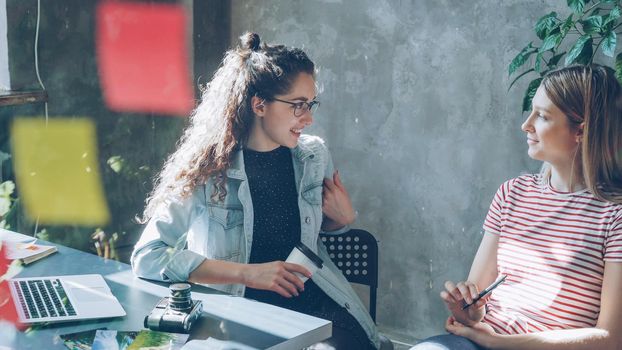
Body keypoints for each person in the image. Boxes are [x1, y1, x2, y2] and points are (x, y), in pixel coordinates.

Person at [131, 32, 384, 349]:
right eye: (298, 105)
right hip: (238, 313)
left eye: (311, 104)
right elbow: (147, 256)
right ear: (259, 105)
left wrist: (340, 220)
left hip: (315, 306)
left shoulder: (314, 157)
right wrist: (247, 274)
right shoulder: (207, 169)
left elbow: (315, 242)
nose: (309, 118)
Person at [412, 64, 622, 349]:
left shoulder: (614, 216)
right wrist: (471, 313)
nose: (526, 124)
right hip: (483, 342)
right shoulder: (512, 194)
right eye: (532, 111)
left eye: (543, 116)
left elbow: (610, 339)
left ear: (581, 130)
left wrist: (501, 343)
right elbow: (477, 299)